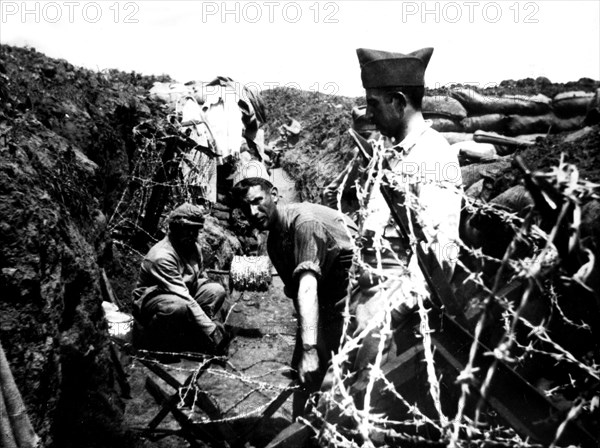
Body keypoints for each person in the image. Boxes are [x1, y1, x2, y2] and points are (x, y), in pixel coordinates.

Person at [319, 47, 463, 434]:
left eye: (373, 104)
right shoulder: (390, 153)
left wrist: (393, 312)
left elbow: (440, 256)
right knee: (337, 403)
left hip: (393, 314)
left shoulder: (433, 158)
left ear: (398, 102)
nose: (368, 114)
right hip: (366, 301)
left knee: (367, 418)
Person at [231, 160, 357, 417]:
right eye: (246, 207)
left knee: (339, 379)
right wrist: (310, 346)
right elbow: (304, 302)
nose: (253, 212)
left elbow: (308, 290)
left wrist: (312, 350)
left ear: (274, 195)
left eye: (258, 201)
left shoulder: (303, 223)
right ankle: (307, 428)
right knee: (305, 374)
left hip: (358, 290)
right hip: (326, 296)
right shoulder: (275, 241)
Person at [132, 203, 231, 355]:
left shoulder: (193, 247)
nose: (192, 235)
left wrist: (212, 319)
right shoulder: (162, 256)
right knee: (178, 306)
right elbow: (182, 295)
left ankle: (194, 333)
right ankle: (161, 343)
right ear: (176, 229)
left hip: (183, 295)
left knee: (216, 290)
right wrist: (212, 330)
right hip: (155, 302)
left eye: (195, 231)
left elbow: (201, 277)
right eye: (188, 230)